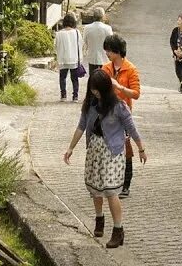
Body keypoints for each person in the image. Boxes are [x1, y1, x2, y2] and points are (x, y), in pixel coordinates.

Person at [63, 69, 146, 248]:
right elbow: (81, 126)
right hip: (94, 150)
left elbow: (132, 129)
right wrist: (70, 148)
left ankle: (118, 230)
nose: (95, 93)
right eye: (93, 90)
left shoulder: (119, 106)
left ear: (106, 88)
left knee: (110, 190)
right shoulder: (90, 104)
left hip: (113, 152)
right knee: (95, 188)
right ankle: (99, 219)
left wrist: (141, 149)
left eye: (98, 90)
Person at [101, 35, 141, 198]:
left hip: (123, 114)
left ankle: (126, 184)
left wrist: (120, 88)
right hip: (106, 113)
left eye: (109, 50)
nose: (107, 53)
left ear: (117, 51)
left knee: (126, 148)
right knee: (106, 146)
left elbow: (136, 93)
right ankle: (109, 180)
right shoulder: (105, 68)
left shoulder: (130, 69)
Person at [54, 13, 84, 101]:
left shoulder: (59, 34)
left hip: (63, 59)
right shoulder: (77, 32)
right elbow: (80, 44)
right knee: (74, 78)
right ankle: (75, 96)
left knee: (62, 77)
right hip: (74, 58)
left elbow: (56, 46)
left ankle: (63, 95)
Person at [82, 7, 113, 74]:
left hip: (92, 57)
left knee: (93, 79)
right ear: (103, 17)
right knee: (105, 79)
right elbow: (111, 43)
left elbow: (85, 41)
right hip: (105, 58)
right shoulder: (108, 28)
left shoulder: (87, 28)